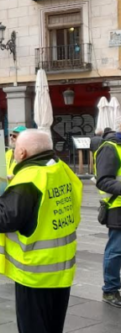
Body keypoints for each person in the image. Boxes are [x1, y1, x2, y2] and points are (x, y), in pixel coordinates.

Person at [0, 130, 80, 332]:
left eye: (16, 148)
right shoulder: (61, 169)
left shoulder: (28, 179)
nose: (13, 152)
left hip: (35, 272)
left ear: (23, 153)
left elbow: (2, 219)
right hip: (61, 269)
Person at [93, 121, 121, 308]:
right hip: (117, 207)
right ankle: (110, 290)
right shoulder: (110, 148)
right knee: (116, 250)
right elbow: (103, 181)